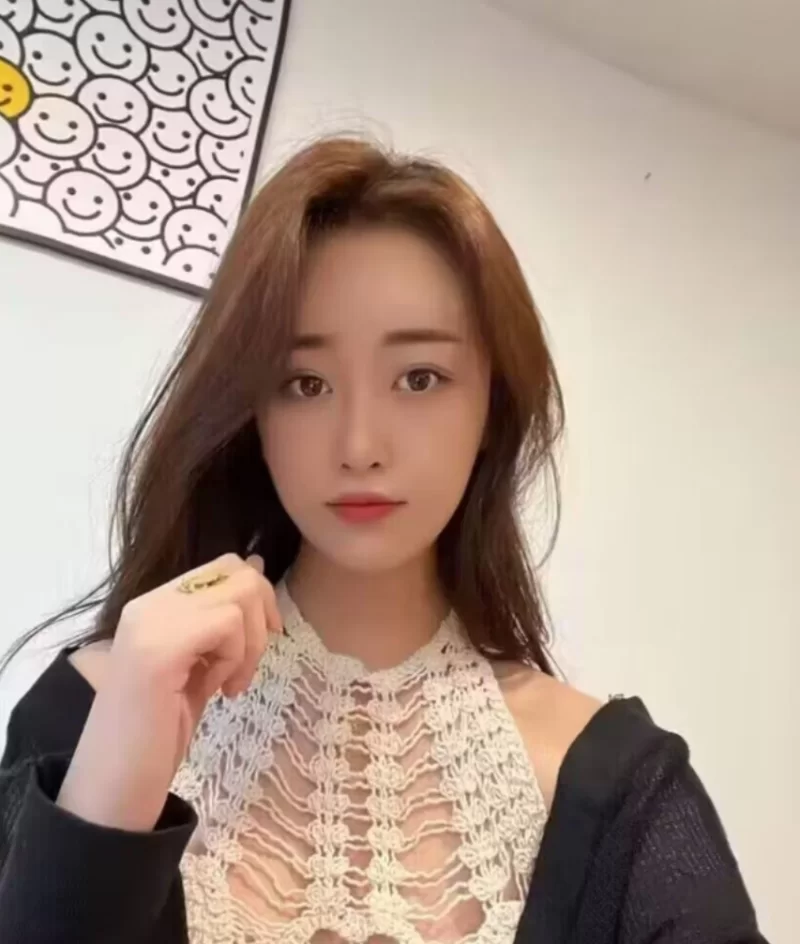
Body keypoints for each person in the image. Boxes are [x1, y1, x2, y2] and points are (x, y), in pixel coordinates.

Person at [0, 138, 765, 944]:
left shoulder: (619, 787)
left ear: (493, 408)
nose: (360, 445)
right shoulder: (96, 708)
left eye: (419, 378)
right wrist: (105, 799)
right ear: (252, 415)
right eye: (305, 383)